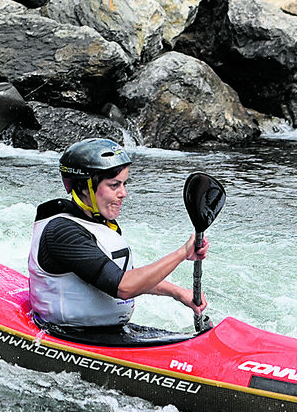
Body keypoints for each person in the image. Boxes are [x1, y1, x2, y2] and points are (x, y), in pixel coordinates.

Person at [27, 138, 206, 330]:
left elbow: (122, 276)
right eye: (114, 185)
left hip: (103, 331)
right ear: (83, 188)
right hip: (68, 332)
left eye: (124, 184)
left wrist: (178, 293)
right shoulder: (64, 232)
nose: (123, 193)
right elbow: (124, 287)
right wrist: (182, 253)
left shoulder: (101, 225)